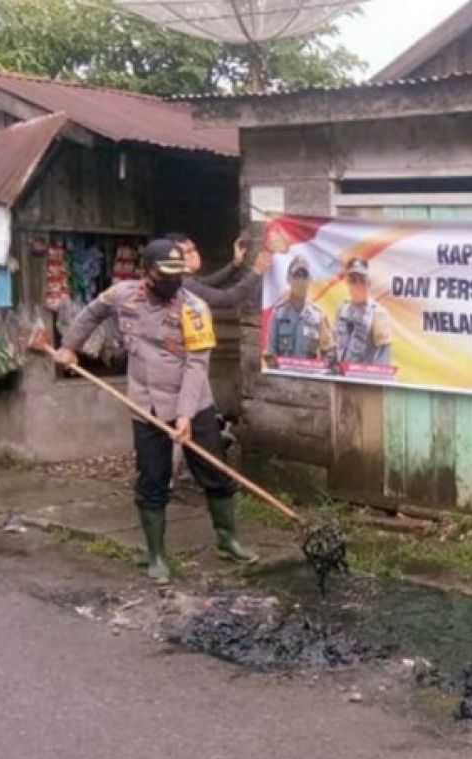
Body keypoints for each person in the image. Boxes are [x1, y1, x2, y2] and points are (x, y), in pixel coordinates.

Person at [54, 239, 258, 584]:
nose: (172, 282)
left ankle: (228, 540)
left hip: (194, 403)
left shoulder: (194, 308)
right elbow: (91, 313)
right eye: (165, 274)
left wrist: (184, 417)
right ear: (146, 272)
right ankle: (156, 555)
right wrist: (69, 347)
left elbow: (196, 366)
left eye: (177, 275)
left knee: (214, 472)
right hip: (145, 406)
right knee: (152, 479)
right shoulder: (123, 295)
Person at [167, 232, 267, 310]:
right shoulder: (183, 283)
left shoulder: (182, 278)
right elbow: (227, 299)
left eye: (194, 249)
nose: (195, 254)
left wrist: (235, 264)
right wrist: (256, 271)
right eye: (188, 252)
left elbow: (208, 282)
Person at [265, 256, 333, 365]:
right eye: (296, 276)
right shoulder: (278, 314)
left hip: (309, 379)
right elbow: (270, 354)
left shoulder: (319, 316)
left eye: (304, 276)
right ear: (289, 279)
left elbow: (328, 353)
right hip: (283, 379)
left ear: (310, 280)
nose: (300, 281)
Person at [333, 257, 392, 366]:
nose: (357, 284)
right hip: (338, 378)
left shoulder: (378, 313)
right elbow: (334, 348)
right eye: (353, 280)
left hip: (362, 379)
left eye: (362, 280)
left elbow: (382, 357)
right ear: (347, 283)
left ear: (368, 283)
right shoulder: (342, 310)